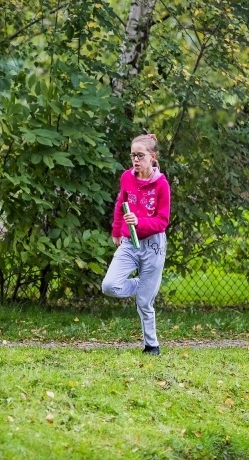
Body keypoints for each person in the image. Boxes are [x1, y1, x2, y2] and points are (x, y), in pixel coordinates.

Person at [102, 133, 170, 355]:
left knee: (144, 302)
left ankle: (152, 346)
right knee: (110, 286)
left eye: (140, 155)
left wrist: (140, 222)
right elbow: (121, 203)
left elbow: (162, 221)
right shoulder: (127, 178)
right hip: (129, 242)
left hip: (153, 246)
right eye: (133, 156)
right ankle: (144, 285)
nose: (135, 160)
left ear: (153, 157)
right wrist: (116, 230)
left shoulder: (161, 185)